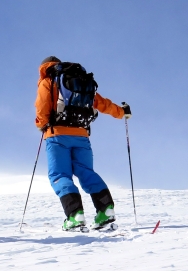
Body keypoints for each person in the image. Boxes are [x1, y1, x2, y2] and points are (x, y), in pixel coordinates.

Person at [35, 56, 132, 231]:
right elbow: (102, 103)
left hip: (57, 135)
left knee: (60, 175)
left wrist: (41, 125)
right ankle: (106, 211)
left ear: (44, 67)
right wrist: (122, 112)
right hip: (81, 135)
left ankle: (74, 215)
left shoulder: (48, 81)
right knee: (86, 172)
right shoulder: (78, 82)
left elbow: (42, 107)